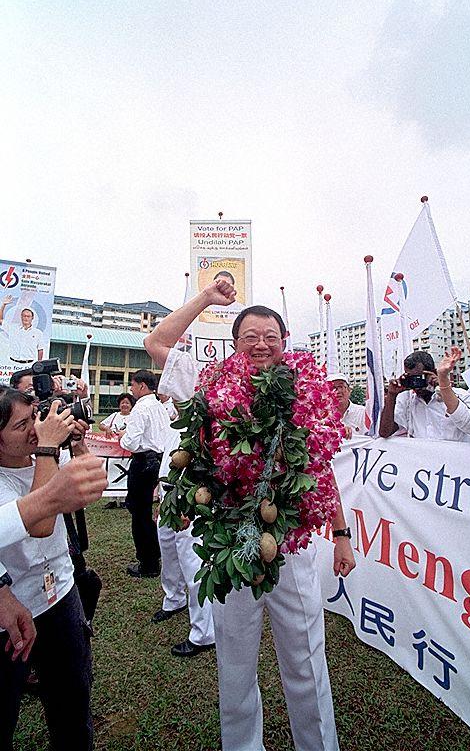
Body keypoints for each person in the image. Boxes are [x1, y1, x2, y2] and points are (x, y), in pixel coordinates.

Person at [145, 277, 355, 751]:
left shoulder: (307, 393)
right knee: (235, 665)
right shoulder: (209, 382)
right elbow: (155, 342)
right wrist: (206, 299)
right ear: (234, 345)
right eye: (249, 337)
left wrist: (341, 533)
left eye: (271, 337)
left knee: (306, 664)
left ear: (284, 343)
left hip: (293, 550)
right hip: (231, 551)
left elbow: (319, 471)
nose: (261, 344)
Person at [0, 387, 107, 751]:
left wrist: (77, 447)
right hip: (14, 609)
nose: (35, 429)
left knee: (73, 699)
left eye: (34, 418)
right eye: (21, 426)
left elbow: (92, 483)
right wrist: (48, 447)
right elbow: (41, 524)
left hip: (61, 593)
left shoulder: (39, 459)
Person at [151, 395, 215, 657]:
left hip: (190, 501)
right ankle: (174, 599)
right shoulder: (174, 423)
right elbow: (168, 462)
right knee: (168, 553)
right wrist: (161, 498)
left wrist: (190, 506)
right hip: (169, 497)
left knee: (192, 562)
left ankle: (204, 632)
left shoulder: (204, 426)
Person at [119, 370, 171, 578]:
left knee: (139, 513)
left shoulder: (140, 408)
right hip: (159, 460)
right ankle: (156, 554)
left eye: (132, 385)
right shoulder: (159, 406)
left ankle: (147, 563)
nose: (131, 389)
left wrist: (123, 438)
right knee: (153, 513)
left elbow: (131, 441)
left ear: (141, 386)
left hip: (143, 463)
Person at [379, 350, 470, 442]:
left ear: (433, 373)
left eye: (419, 378)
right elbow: (385, 432)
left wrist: (442, 387)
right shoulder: (406, 400)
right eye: (411, 379)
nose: (416, 384)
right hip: (423, 458)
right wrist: (391, 396)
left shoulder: (462, 395)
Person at [99, 392, 136, 509]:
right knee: (112, 471)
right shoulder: (114, 415)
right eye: (122, 403)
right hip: (113, 451)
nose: (124, 405)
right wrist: (107, 428)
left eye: (127, 403)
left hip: (128, 450)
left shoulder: (134, 416)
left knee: (127, 472)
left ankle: (125, 498)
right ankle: (112, 499)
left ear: (131, 405)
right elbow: (101, 425)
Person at [0, 296, 45, 365]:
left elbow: (40, 350)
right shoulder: (12, 328)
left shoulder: (38, 333)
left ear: (32, 318)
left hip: (28, 365)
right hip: (12, 364)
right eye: (24, 316)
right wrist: (3, 305)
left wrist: (39, 364)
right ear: (21, 317)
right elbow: (0, 320)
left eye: (28, 316)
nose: (26, 318)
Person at [326, 373, 366, 438]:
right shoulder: (322, 416)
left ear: (349, 390)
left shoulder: (363, 413)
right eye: (333, 388)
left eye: (341, 387)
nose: (338, 391)